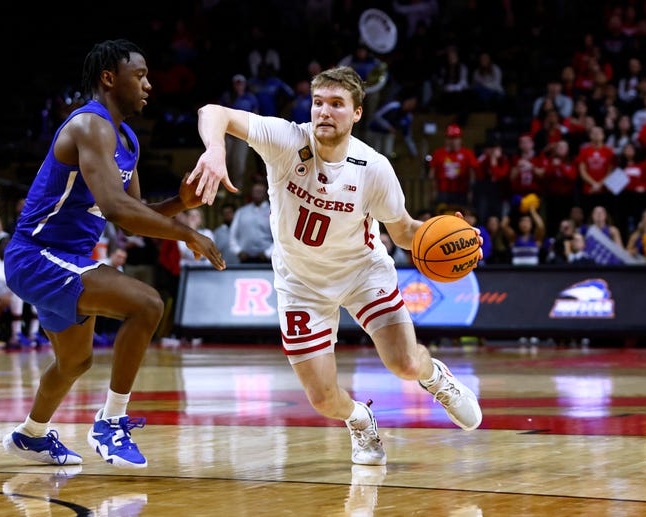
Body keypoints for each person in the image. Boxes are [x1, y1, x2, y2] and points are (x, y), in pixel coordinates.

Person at [187, 65, 482, 467]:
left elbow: (405, 233)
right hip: (300, 284)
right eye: (318, 103)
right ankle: (361, 420)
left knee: (405, 362)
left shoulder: (374, 168)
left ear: (357, 113)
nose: (324, 112)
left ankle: (438, 381)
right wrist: (216, 149)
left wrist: (458, 239)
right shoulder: (287, 139)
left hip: (362, 273)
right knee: (324, 399)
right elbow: (212, 111)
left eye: (337, 104)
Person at [1, 38, 228, 469]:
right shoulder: (89, 125)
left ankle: (30, 434)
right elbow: (115, 207)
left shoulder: (126, 139)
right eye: (139, 76)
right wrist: (188, 234)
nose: (148, 85)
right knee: (147, 304)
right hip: (36, 254)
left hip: (66, 260)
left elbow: (131, 217)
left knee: (74, 362)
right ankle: (111, 421)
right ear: (109, 77)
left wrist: (181, 203)